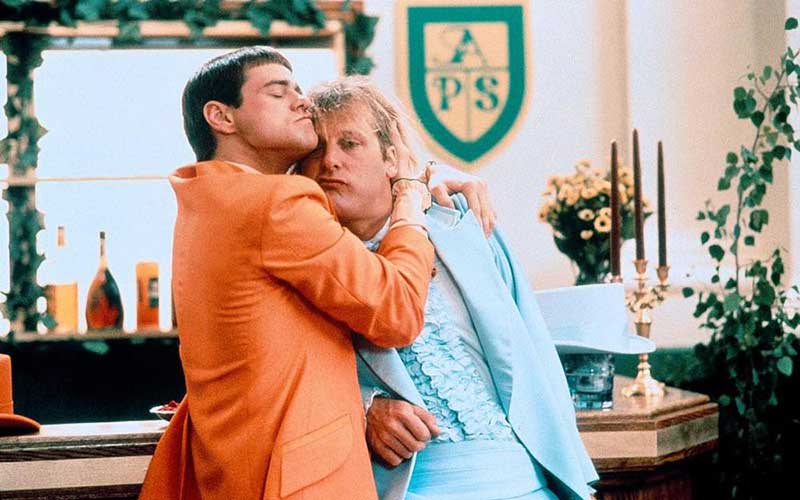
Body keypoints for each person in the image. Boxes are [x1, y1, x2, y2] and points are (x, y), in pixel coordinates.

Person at [139, 46, 489, 500]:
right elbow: (396, 311)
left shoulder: (207, 201)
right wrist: (408, 197)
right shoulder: (275, 204)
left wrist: (427, 172)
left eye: (299, 90)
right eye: (278, 92)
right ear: (222, 117)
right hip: (298, 482)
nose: (301, 101)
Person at [300, 77, 598, 500]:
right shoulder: (305, 264)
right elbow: (289, 381)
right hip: (408, 484)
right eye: (315, 149)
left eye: (350, 144)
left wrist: (573, 478)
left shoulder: (460, 221)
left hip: (524, 473)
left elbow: (533, 346)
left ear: (390, 158)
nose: (330, 161)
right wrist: (363, 408)